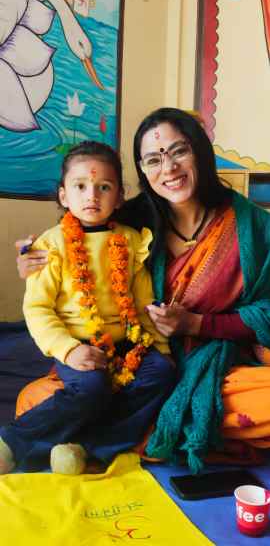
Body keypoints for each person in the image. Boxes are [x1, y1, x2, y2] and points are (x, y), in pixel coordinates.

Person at [16, 109, 270, 473]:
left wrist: (196, 325)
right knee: (34, 398)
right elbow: (73, 246)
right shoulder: (130, 221)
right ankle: (153, 427)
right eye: (153, 159)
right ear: (142, 170)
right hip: (129, 361)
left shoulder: (252, 226)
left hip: (211, 361)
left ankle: (101, 437)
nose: (168, 168)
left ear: (199, 151)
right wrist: (31, 261)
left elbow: (267, 310)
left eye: (179, 151)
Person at [0, 140, 176, 475]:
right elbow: (38, 310)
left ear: (120, 196)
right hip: (77, 343)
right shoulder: (49, 246)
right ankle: (12, 441)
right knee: (92, 387)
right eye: (80, 186)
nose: (92, 196)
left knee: (163, 372)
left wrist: (161, 347)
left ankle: (87, 447)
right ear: (64, 196)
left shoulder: (131, 240)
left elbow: (142, 301)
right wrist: (67, 351)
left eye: (103, 187)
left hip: (128, 343)